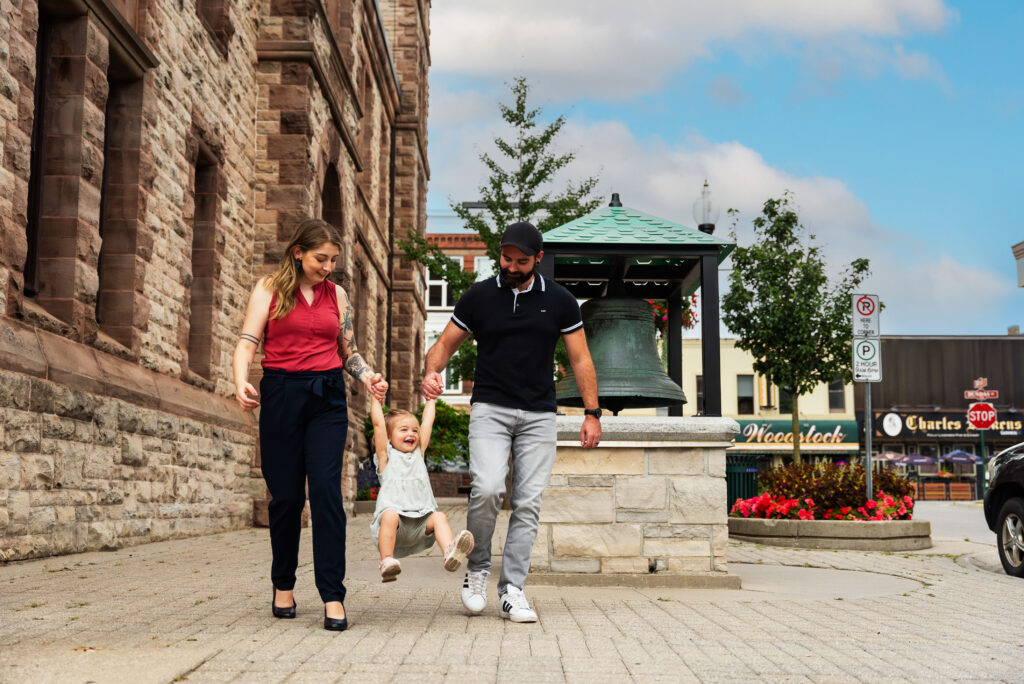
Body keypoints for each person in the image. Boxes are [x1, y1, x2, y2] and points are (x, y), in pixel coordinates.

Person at [422, 221, 602, 623]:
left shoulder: (560, 301)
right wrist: (433, 371)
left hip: (539, 415)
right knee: (486, 489)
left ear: (538, 259)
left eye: (522, 261)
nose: (512, 267)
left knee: (527, 502)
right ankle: (477, 570)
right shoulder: (480, 296)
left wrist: (592, 413)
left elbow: (580, 359)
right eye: (506, 258)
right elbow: (445, 345)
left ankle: (513, 589)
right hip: (490, 409)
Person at [233, 218, 388, 632]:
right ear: (298, 252)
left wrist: (368, 375)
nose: (328, 267)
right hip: (282, 393)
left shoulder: (336, 294)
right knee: (285, 498)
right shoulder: (269, 289)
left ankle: (333, 595)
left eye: (333, 260)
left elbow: (349, 351)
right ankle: (283, 584)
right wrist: (240, 378)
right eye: (321, 258)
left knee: (325, 494)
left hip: (327, 399)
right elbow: (248, 340)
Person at [368, 396, 474, 581]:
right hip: (397, 526)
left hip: (421, 524)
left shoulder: (418, 454)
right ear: (389, 437)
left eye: (414, 430)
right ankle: (387, 562)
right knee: (389, 514)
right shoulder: (386, 457)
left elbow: (427, 422)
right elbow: (378, 424)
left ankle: (450, 552)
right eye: (404, 430)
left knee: (439, 517)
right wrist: (375, 398)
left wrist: (431, 398)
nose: (412, 434)